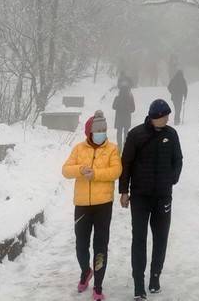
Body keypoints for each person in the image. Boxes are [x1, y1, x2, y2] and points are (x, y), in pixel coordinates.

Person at [120, 98, 183, 299]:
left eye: (167, 116)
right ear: (154, 117)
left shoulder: (171, 135)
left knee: (161, 238)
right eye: (163, 116)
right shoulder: (136, 134)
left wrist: (172, 179)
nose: (166, 119)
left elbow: (178, 159)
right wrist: (124, 191)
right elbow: (126, 163)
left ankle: (155, 277)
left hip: (163, 196)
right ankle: (139, 283)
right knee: (139, 239)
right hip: (140, 196)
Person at [61, 110, 122, 301]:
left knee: (100, 245)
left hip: (103, 205)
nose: (101, 133)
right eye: (98, 130)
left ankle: (98, 286)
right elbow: (65, 170)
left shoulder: (112, 148)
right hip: (82, 205)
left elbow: (116, 171)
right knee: (81, 244)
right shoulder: (79, 149)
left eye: (104, 129)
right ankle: (85, 271)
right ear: (89, 132)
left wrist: (95, 174)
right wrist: (80, 169)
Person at [113, 83, 136, 149]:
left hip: (119, 118)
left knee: (119, 131)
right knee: (126, 131)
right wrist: (128, 109)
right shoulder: (130, 99)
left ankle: (119, 145)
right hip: (127, 118)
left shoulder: (117, 98)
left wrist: (119, 107)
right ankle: (125, 143)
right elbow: (133, 109)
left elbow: (113, 107)